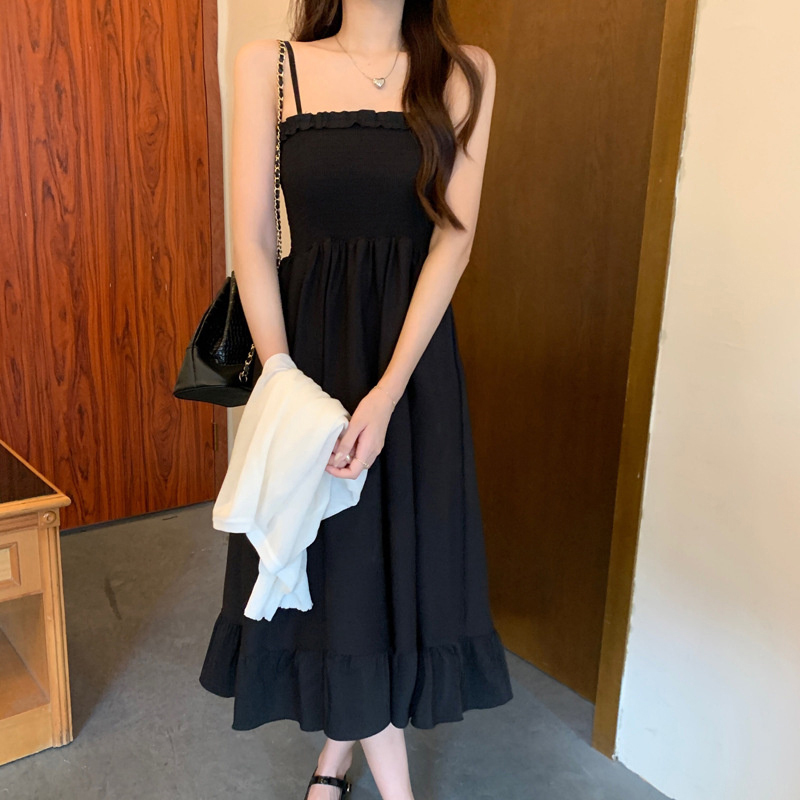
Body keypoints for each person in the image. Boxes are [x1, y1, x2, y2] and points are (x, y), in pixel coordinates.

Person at [198, 2, 513, 798]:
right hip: (307, 360)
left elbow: (454, 238)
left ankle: (335, 761)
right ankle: (369, 774)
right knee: (335, 564)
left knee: (379, 567)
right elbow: (253, 240)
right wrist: (284, 385)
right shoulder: (269, 65)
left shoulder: (466, 72)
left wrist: (388, 392)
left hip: (409, 368)